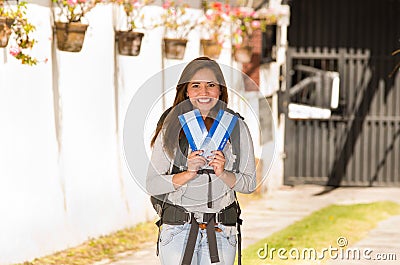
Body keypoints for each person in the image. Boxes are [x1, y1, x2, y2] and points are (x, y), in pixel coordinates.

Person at [147, 57, 256, 265]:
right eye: (195, 85)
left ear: (220, 91)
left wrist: (224, 173)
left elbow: (250, 184)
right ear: (186, 91)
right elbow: (152, 184)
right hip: (177, 230)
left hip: (222, 231)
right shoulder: (171, 125)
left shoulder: (236, 127)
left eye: (211, 85)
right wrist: (187, 173)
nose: (203, 92)